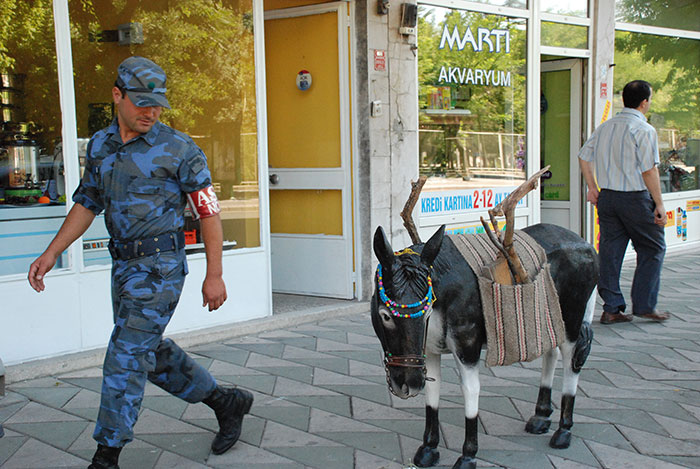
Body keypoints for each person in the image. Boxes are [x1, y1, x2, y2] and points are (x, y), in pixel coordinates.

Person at [28, 56, 253, 469]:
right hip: (124, 268)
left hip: (161, 267)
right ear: (118, 96)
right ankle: (226, 401)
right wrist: (53, 251)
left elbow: (209, 212)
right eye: (141, 102)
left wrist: (215, 274)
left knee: (126, 357)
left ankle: (106, 455)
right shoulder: (100, 146)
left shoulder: (180, 149)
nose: (151, 111)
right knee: (149, 352)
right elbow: (86, 203)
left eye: (158, 104)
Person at [579, 80, 670, 325]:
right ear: (644, 102)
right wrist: (659, 205)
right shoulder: (644, 129)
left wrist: (592, 188)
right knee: (653, 248)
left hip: (608, 198)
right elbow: (649, 171)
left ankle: (611, 308)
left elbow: (584, 156)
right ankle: (645, 305)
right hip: (635, 198)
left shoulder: (605, 127)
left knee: (610, 252)